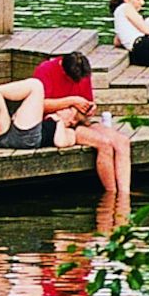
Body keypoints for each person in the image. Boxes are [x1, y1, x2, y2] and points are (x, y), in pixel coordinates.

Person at [31, 51, 133, 193]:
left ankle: (124, 193)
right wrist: (72, 101)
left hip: (80, 119)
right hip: (59, 124)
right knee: (104, 144)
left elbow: (87, 103)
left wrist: (89, 108)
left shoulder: (82, 73)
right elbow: (38, 104)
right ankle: (112, 192)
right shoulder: (46, 70)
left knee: (122, 142)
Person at [0, 75, 80, 160]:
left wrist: (59, 122)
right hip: (6, 134)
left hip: (27, 138)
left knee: (36, 85)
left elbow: (61, 142)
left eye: (69, 109)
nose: (64, 108)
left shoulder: (68, 131)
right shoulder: (51, 118)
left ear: (72, 121)